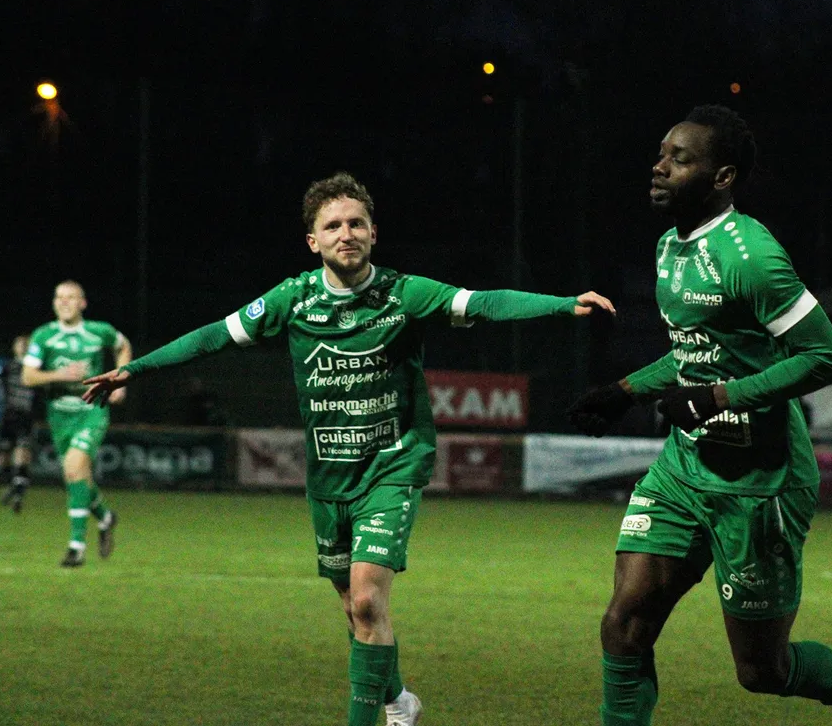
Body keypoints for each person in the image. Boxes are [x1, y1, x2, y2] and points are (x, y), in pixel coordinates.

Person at [82, 171, 615, 726]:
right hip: (330, 476)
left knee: (366, 601)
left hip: (393, 464)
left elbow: (483, 302)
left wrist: (559, 304)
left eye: (356, 223)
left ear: (373, 233)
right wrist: (132, 370)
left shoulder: (405, 293)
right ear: (313, 241)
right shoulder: (291, 299)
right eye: (333, 225)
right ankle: (400, 700)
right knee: (353, 610)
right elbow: (214, 336)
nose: (347, 233)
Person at [566, 104, 832, 726]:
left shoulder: (751, 256)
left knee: (761, 671)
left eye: (680, 158)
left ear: (722, 177)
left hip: (760, 485)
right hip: (685, 471)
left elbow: (825, 357)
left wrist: (718, 398)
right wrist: (627, 388)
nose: (660, 166)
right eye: (661, 153)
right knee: (624, 624)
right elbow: (701, 355)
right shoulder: (671, 245)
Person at [22, 281, 130, 567]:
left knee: (73, 466)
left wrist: (121, 379)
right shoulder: (44, 335)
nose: (64, 302)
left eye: (71, 297)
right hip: (59, 415)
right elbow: (28, 377)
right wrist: (59, 374)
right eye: (59, 297)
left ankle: (76, 548)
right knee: (76, 476)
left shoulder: (99, 331)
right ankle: (106, 517)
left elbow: (123, 345)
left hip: (91, 411)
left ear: (83, 303)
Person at [0, 335, 38, 513]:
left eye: (25, 345)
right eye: (19, 345)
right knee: (4, 456)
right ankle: (13, 485)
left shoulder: (35, 368)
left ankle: (18, 493)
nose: (21, 347)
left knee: (22, 453)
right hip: (9, 416)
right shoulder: (8, 366)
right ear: (14, 348)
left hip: (26, 417)